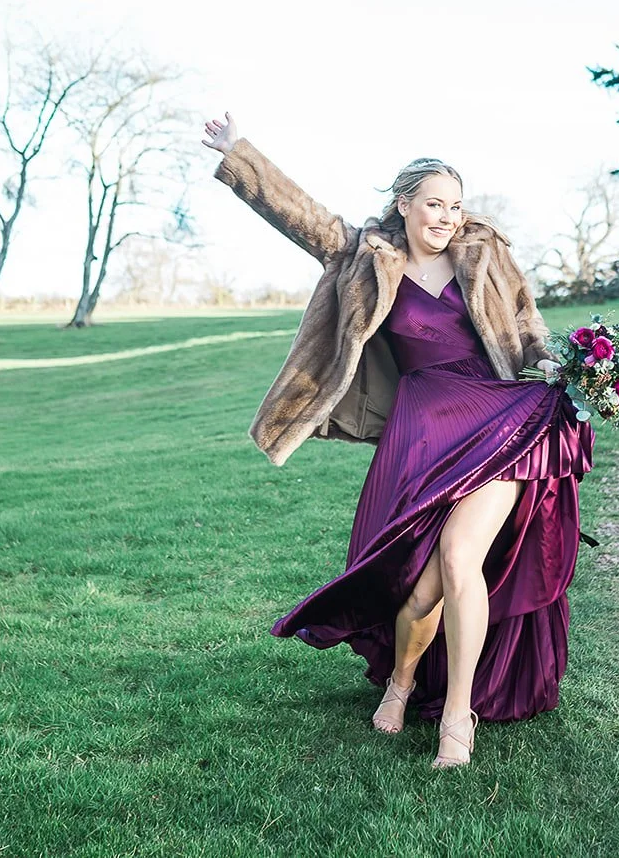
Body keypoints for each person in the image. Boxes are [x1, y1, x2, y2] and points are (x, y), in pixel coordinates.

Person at [201, 112, 596, 769]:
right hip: (420, 430)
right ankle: (402, 680)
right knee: (421, 586)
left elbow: (528, 332)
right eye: (434, 203)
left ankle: (458, 721)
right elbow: (304, 217)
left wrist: (571, 370)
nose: (445, 216)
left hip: (498, 424)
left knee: (461, 557)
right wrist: (238, 152)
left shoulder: (487, 254)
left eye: (456, 205)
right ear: (404, 204)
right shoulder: (367, 255)